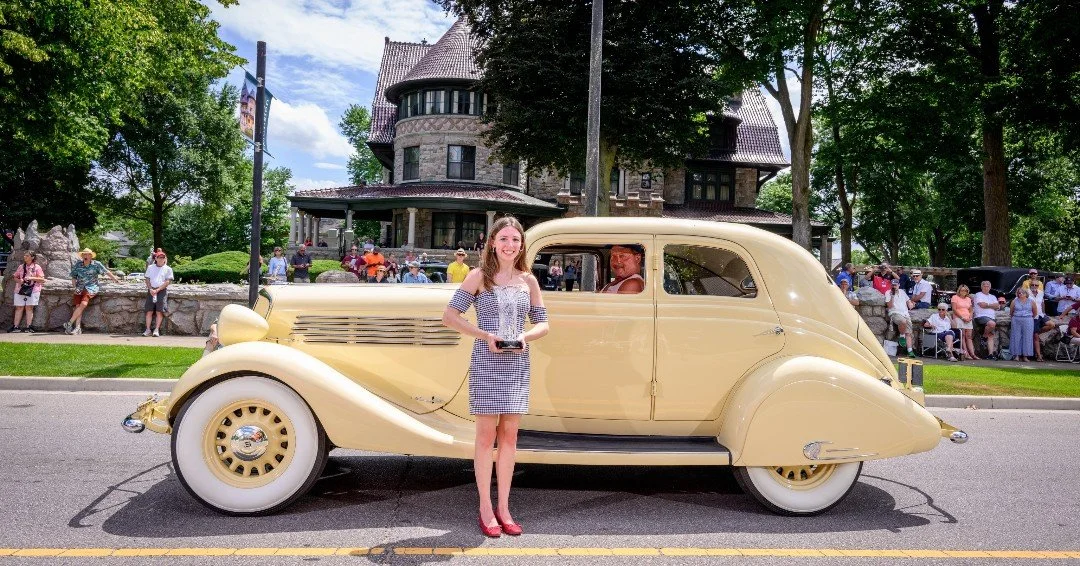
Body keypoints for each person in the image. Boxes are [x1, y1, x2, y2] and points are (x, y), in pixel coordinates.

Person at [441, 216, 549, 538]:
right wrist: (483, 334)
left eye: (515, 240)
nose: (509, 245)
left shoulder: (528, 280)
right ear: (492, 243)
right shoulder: (478, 277)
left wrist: (523, 338)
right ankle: (485, 508)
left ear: (521, 245)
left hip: (517, 364)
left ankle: (504, 507)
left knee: (510, 439)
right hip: (487, 363)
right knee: (486, 438)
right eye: (503, 239)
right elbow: (450, 316)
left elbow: (543, 323)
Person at [64, 248, 120, 335]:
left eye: (88, 254)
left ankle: (69, 323)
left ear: (91, 256)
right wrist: (74, 287)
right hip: (79, 288)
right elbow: (74, 276)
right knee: (78, 306)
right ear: (82, 256)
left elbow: (106, 271)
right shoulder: (78, 264)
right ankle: (77, 328)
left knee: (83, 304)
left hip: (91, 287)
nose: (86, 256)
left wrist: (115, 279)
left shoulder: (96, 264)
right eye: (84, 255)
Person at [10, 251, 45, 333]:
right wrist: (20, 280)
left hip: (33, 290)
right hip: (20, 289)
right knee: (19, 307)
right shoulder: (21, 267)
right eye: (24, 255)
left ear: (32, 257)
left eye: (27, 255)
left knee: (29, 308)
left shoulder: (37, 267)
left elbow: (42, 279)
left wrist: (31, 278)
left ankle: (28, 327)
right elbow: (15, 277)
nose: (25, 256)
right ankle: (15, 327)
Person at [142, 252, 173, 337]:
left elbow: (167, 281)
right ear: (156, 258)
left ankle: (156, 330)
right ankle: (148, 330)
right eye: (159, 257)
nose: (161, 259)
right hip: (151, 290)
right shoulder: (150, 267)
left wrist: (158, 290)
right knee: (149, 311)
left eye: (163, 257)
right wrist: (150, 289)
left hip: (161, 291)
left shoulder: (168, 269)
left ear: (165, 258)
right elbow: (147, 279)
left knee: (159, 311)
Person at [885, 279, 915, 357]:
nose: (894, 286)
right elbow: (890, 306)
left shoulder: (902, 292)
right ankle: (902, 336)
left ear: (899, 285)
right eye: (893, 285)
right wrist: (892, 296)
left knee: (908, 333)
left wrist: (911, 304)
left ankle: (910, 351)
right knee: (903, 321)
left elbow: (908, 301)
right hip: (894, 313)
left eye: (895, 285)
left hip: (905, 314)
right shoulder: (888, 293)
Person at [973, 280, 1000, 359]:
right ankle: (984, 336)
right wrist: (991, 305)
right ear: (981, 287)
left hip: (991, 317)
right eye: (984, 286)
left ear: (990, 287)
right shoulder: (978, 295)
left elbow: (997, 306)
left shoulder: (993, 296)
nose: (986, 287)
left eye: (988, 286)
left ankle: (990, 354)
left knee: (991, 335)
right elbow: (981, 305)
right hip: (981, 316)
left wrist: (987, 305)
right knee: (992, 324)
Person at [952, 284, 978, 360]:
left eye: (965, 290)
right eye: (962, 290)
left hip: (967, 318)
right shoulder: (955, 297)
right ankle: (965, 353)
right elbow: (954, 309)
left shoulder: (968, 299)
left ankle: (972, 354)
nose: (964, 292)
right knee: (962, 335)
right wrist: (962, 318)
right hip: (959, 318)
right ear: (959, 291)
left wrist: (970, 317)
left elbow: (971, 309)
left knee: (969, 336)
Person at [1008, 287, 1035, 362]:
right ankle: (1016, 355)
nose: (1021, 294)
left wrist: (1028, 317)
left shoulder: (1031, 301)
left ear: (1026, 293)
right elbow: (1011, 312)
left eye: (1022, 293)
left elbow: (1035, 312)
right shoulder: (1014, 301)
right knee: (1016, 336)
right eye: (1019, 293)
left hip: (1028, 319)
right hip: (1016, 319)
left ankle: (1025, 356)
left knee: (1027, 337)